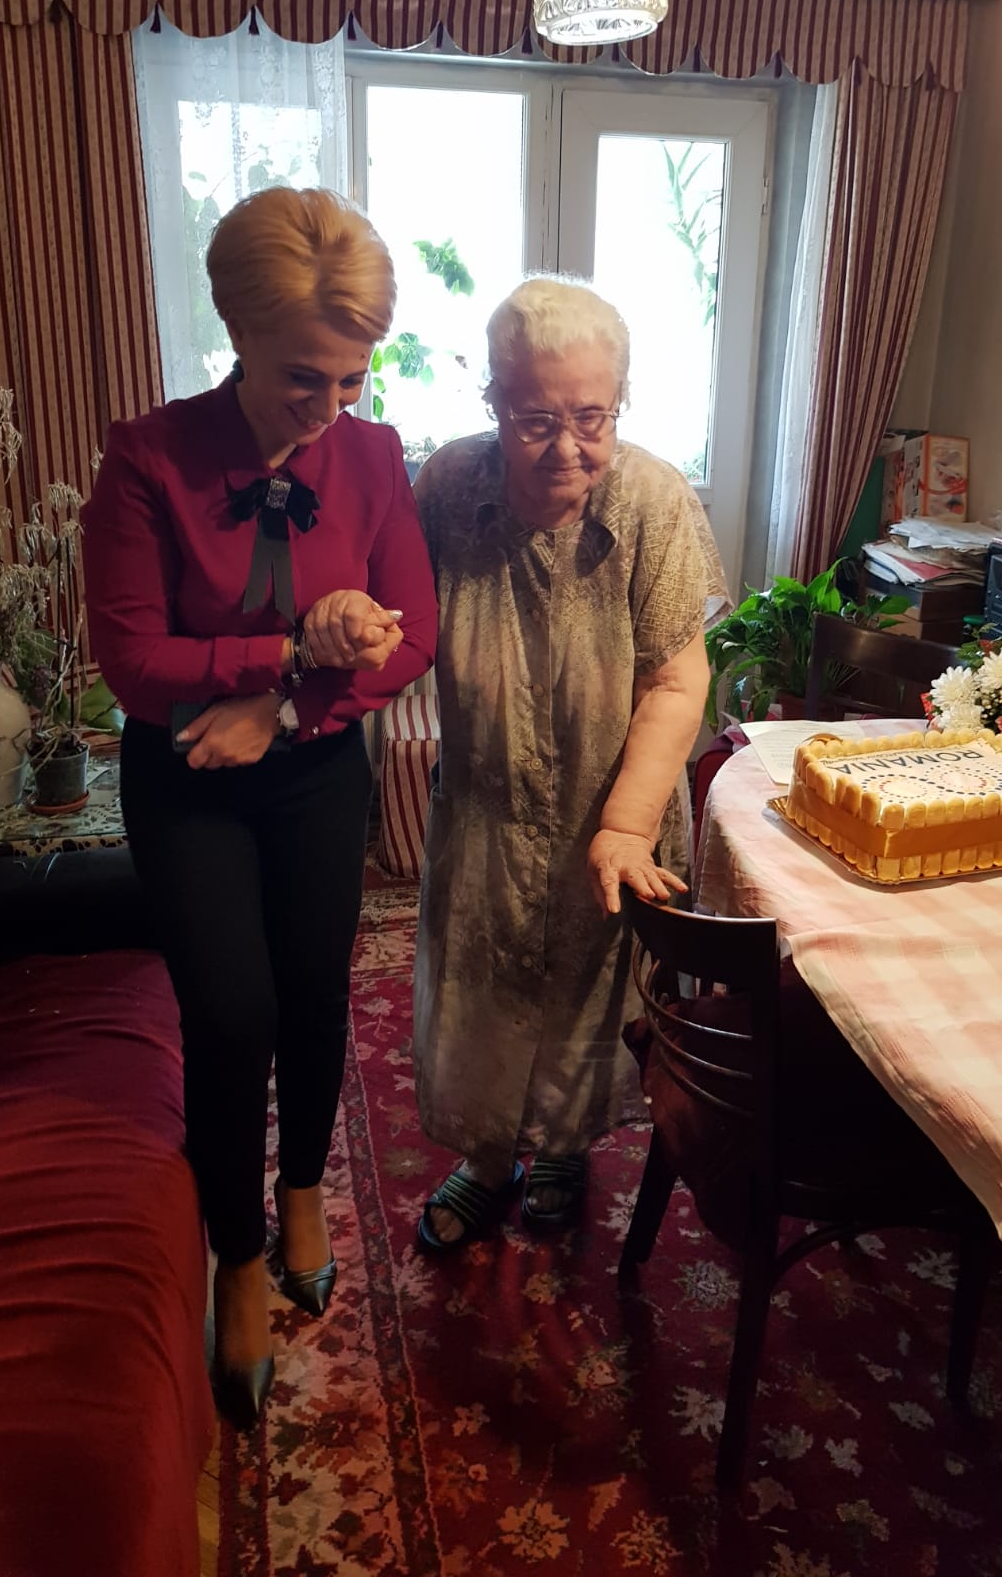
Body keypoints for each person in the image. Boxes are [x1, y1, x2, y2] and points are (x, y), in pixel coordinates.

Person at [82, 187, 436, 1427]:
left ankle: (301, 1192)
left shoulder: (375, 457)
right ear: (236, 331)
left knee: (313, 992)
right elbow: (135, 663)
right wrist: (285, 655)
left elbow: (413, 637)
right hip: (187, 776)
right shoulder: (147, 458)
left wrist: (282, 710)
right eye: (302, 377)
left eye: (351, 377)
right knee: (231, 1014)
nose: (329, 406)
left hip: (315, 763)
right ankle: (237, 1249)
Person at [411, 277, 730, 1251]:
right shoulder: (446, 487)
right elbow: (395, 625)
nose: (566, 448)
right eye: (536, 420)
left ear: (619, 402)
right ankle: (485, 1155)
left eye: (591, 418)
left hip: (612, 801)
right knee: (483, 979)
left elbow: (677, 678)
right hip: (487, 801)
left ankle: (561, 1146)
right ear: (493, 401)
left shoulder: (652, 499)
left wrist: (628, 823)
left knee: (589, 980)